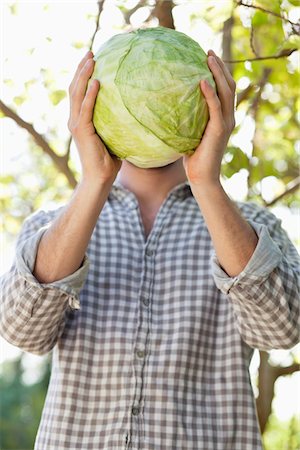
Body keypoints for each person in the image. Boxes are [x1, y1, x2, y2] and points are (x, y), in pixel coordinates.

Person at [0, 48, 299, 450]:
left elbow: (281, 330)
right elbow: (22, 331)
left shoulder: (253, 229)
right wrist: (93, 182)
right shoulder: (52, 229)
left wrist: (206, 183)